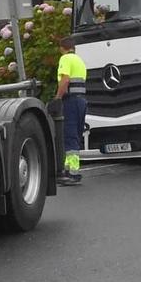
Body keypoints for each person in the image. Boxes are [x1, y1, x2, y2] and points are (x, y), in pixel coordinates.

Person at [56, 35, 88, 186]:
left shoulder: (65, 59)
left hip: (70, 100)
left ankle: (72, 173)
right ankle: (69, 170)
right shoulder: (80, 60)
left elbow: (65, 80)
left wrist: (57, 98)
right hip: (81, 100)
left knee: (69, 135)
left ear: (62, 48)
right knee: (75, 134)